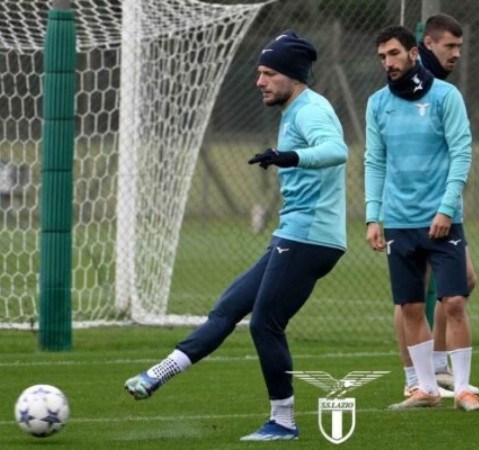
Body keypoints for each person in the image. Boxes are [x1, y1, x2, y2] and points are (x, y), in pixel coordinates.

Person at [123, 30, 348, 441]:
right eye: (259, 73)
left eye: (267, 73)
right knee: (228, 309)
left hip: (310, 237)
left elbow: (337, 151)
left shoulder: (311, 110)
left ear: (292, 76)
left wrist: (287, 156)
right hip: (295, 234)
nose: (259, 81)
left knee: (265, 323)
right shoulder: (295, 110)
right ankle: (158, 374)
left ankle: (283, 422)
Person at [365, 25, 479, 411]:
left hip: (442, 220)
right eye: (383, 56)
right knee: (411, 306)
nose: (389, 62)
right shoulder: (377, 103)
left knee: (453, 301)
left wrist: (446, 208)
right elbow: (375, 160)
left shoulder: (446, 96)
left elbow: (462, 154)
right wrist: (373, 216)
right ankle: (426, 389)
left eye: (394, 54)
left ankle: (464, 388)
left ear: (414, 53)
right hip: (399, 221)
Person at [395, 13, 479, 400]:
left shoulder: (443, 91)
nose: (457, 54)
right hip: (410, 212)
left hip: (442, 210)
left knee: (462, 284)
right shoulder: (405, 92)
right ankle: (416, 377)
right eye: (450, 46)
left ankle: (440, 367)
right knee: (411, 298)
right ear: (426, 45)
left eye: (460, 47)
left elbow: (458, 151)